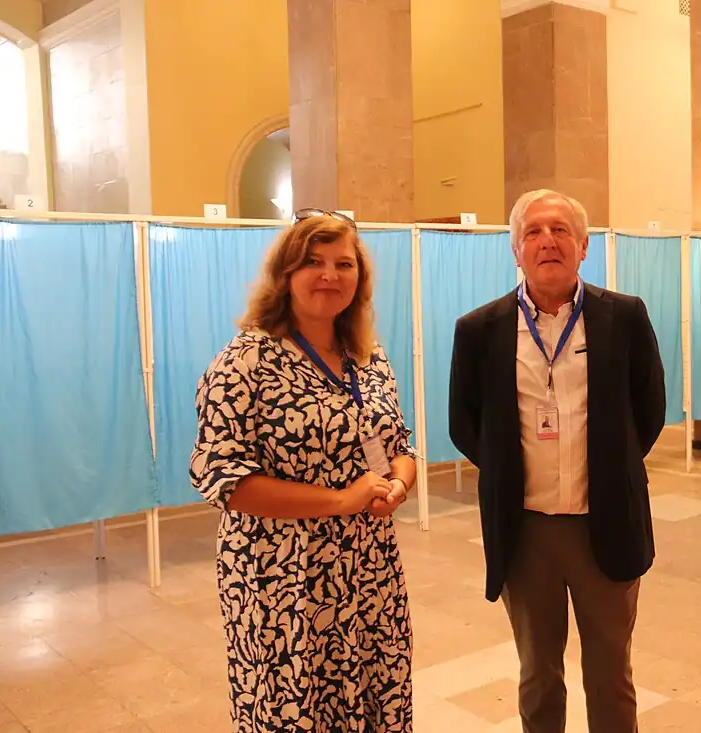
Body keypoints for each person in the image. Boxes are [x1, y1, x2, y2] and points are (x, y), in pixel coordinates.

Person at [449, 189, 666, 733]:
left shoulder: (625, 316)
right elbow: (465, 423)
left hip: (606, 522)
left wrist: (607, 467)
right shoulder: (479, 330)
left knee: (610, 675)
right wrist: (512, 470)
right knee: (538, 674)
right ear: (515, 250)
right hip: (526, 532)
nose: (547, 240)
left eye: (561, 229)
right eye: (533, 231)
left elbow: (649, 409)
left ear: (584, 246)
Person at [190, 209, 416, 732]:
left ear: (360, 279)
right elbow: (223, 479)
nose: (329, 276)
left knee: (373, 702)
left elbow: (399, 444)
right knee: (294, 713)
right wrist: (339, 500)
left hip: (368, 572)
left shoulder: (368, 357)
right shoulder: (246, 361)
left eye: (344, 263)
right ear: (285, 274)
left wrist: (397, 484)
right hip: (283, 582)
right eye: (313, 262)